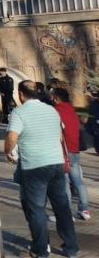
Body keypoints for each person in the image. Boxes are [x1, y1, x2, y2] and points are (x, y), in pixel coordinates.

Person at [4, 81, 79, 258]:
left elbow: (12, 137)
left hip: (34, 166)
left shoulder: (19, 112)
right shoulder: (52, 110)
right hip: (56, 164)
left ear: (21, 94)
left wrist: (8, 151)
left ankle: (41, 249)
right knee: (62, 207)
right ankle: (71, 248)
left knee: (37, 210)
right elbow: (61, 136)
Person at [53, 88, 90, 220]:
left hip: (63, 151)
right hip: (74, 150)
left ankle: (67, 212)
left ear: (56, 98)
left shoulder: (56, 111)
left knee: (64, 183)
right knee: (78, 181)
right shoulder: (71, 110)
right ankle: (84, 209)